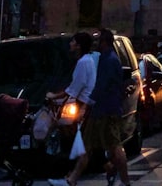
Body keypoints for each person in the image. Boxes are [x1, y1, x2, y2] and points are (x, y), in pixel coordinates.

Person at [56, 28, 131, 186]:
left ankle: (124, 181)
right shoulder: (104, 58)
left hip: (105, 110)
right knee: (89, 146)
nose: (94, 43)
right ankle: (73, 178)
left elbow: (101, 85)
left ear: (104, 42)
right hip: (103, 110)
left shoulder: (108, 60)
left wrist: (88, 104)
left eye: (97, 41)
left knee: (113, 146)